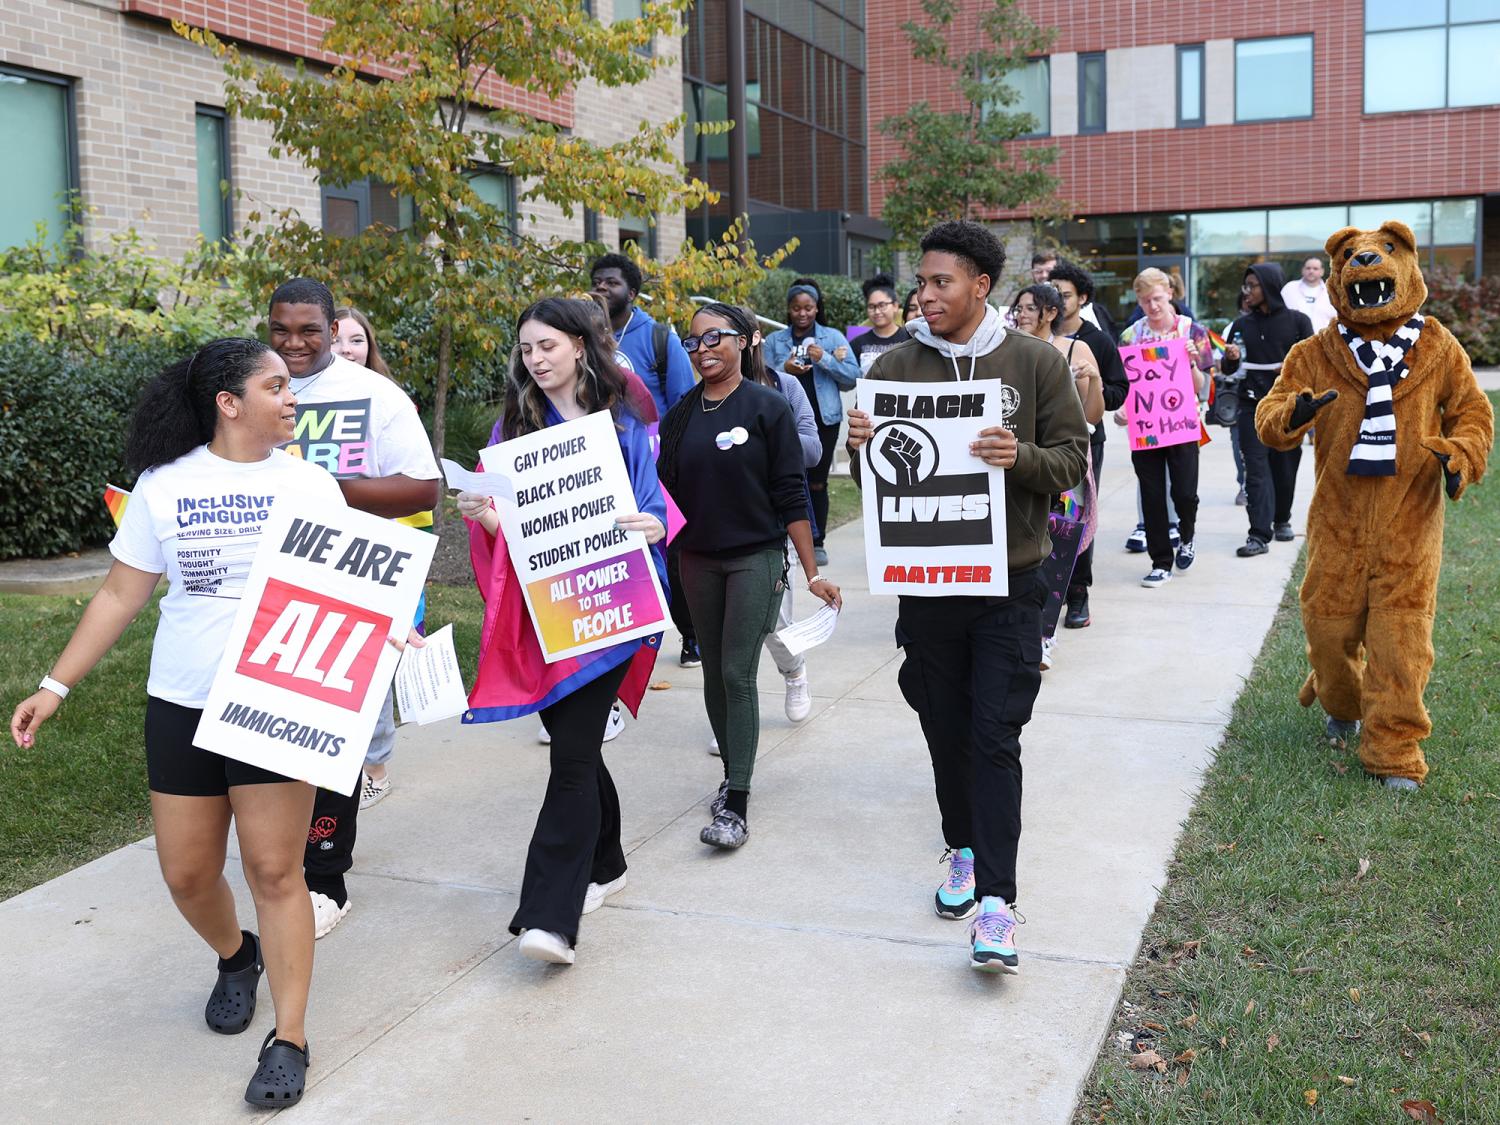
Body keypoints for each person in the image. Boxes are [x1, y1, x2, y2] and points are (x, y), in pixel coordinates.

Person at [9, 338, 349, 1107]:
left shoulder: (312, 485)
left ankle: (289, 1037)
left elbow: (348, 591)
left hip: (275, 701)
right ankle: (238, 955)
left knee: (274, 870)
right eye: (276, 386)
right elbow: (118, 596)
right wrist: (53, 685)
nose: (292, 397)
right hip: (184, 699)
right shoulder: (164, 486)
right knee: (188, 873)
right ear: (229, 403)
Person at [847, 221, 1088, 974]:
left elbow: (1072, 460)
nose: (923, 295)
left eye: (939, 282)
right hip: (927, 590)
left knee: (993, 736)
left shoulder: (1035, 363)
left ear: (981, 286)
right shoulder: (894, 365)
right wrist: (862, 449)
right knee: (945, 731)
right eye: (920, 282)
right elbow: (877, 489)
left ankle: (998, 904)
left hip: (1011, 586)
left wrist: (1019, 458)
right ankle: (962, 846)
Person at [459, 297, 668, 964]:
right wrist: (482, 513)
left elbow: (654, 503)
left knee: (570, 755)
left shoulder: (626, 420)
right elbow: (505, 527)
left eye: (547, 345)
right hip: (549, 608)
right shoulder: (513, 429)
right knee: (580, 748)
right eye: (526, 349)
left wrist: (653, 525)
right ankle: (606, 862)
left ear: (581, 345)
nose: (536, 359)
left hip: (611, 603)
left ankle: (550, 916)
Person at [268, 278, 441, 939]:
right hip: (271, 585)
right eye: (281, 329)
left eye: (309, 329)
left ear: (333, 325)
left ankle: (326, 876)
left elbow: (423, 486)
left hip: (353, 580)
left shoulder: (374, 396)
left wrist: (324, 491)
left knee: (334, 735)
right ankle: (283, 855)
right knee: (280, 731)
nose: (295, 342)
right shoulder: (255, 385)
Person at [659, 302, 841, 849]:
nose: (703, 350)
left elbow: (792, 492)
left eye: (715, 337)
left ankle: (736, 801)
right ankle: (730, 776)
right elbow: (665, 496)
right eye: (693, 343)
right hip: (695, 560)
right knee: (713, 671)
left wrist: (811, 573)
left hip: (755, 558)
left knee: (737, 672)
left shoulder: (768, 406)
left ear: (746, 340)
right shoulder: (680, 416)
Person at [330, 305, 431, 810]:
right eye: (337, 341)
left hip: (378, 557)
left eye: (356, 341)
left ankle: (375, 766)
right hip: (315, 557)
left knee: (371, 665)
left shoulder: (391, 407)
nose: (346, 350)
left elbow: (418, 501)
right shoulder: (292, 406)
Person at [743, 307, 823, 730]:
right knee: (730, 634)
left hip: (776, 522)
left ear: (752, 339)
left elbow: (813, 449)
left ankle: (794, 673)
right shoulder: (703, 394)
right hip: (724, 524)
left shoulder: (784, 385)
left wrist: (767, 437)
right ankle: (737, 716)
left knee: (775, 619)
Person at [1118, 268, 1214, 587]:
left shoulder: (1193, 331)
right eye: (1145, 301)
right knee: (1152, 494)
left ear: (1170, 294)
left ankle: (1187, 536)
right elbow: (1127, 385)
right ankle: (1161, 561)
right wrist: (1123, 412)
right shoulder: (1131, 335)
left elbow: (1203, 385)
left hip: (1182, 425)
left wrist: (1188, 363)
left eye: (1157, 298)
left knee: (1185, 493)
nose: (1152, 306)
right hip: (1146, 427)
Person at [1047, 259, 1128, 628]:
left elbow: (1118, 390)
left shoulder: (1096, 340)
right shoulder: (1031, 341)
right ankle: (1046, 591)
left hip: (1084, 444)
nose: (1058, 302)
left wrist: (1090, 386)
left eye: (1065, 295)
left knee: (1078, 517)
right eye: (1053, 295)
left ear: (1082, 298)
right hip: (1040, 446)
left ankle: (1078, 592)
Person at [763, 278, 862, 568]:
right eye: (796, 308)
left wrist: (825, 359)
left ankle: (817, 542)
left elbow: (853, 376)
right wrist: (785, 369)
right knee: (785, 480)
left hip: (823, 420)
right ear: (789, 310)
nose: (803, 314)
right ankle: (787, 536)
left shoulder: (832, 338)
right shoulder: (774, 341)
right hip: (782, 421)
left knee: (816, 482)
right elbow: (758, 378)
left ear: (817, 308)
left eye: (808, 308)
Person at [1221, 263, 1314, 556]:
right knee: (1256, 471)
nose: (1246, 292)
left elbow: (1311, 365)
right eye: (1245, 286)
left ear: (1269, 286)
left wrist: (1286, 370)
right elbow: (1228, 369)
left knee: (1285, 467)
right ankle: (1258, 535)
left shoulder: (1298, 322)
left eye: (1252, 285)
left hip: (1288, 407)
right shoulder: (1241, 325)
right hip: (1251, 406)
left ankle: (1281, 519)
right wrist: (1231, 359)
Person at [590, 252, 694, 419]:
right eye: (596, 283)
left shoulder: (661, 339)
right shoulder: (585, 337)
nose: (601, 287)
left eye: (612, 282)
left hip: (653, 442)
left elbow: (685, 407)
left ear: (631, 294)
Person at [850, 274, 911, 375]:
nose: (877, 311)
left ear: (895, 306)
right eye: (871, 306)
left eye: (882, 305)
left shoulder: (908, 338)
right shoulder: (858, 342)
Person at [1280, 255, 1337, 333]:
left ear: (1322, 271)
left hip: (1322, 341)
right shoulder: (1289, 289)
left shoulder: (1331, 291)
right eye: (1308, 268)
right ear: (1302, 270)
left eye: (1315, 269)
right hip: (1294, 340)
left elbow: (1337, 319)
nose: (1311, 271)